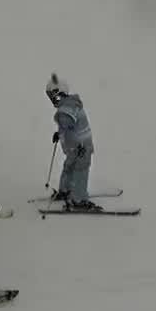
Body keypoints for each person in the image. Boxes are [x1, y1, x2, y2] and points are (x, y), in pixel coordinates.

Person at [45, 73, 100, 210]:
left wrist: (63, 130)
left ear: (60, 93)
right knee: (70, 167)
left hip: (81, 147)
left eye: (53, 96)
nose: (53, 100)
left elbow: (69, 123)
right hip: (76, 147)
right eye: (50, 97)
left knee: (79, 170)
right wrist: (60, 133)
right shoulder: (69, 105)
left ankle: (77, 198)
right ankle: (68, 192)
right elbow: (68, 126)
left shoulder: (68, 107)